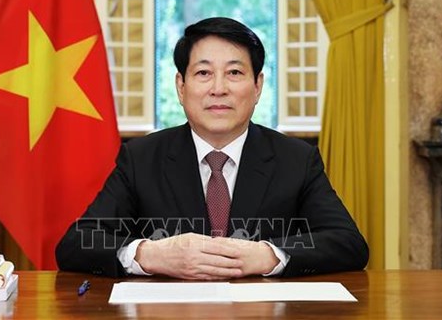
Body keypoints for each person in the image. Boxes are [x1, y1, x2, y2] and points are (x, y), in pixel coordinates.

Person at [56, 17, 368, 279]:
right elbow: (75, 244)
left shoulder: (296, 159)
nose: (219, 89)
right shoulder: (141, 158)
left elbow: (348, 243)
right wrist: (150, 255)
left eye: (234, 73)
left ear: (257, 86)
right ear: (181, 87)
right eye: (203, 73)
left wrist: (269, 255)